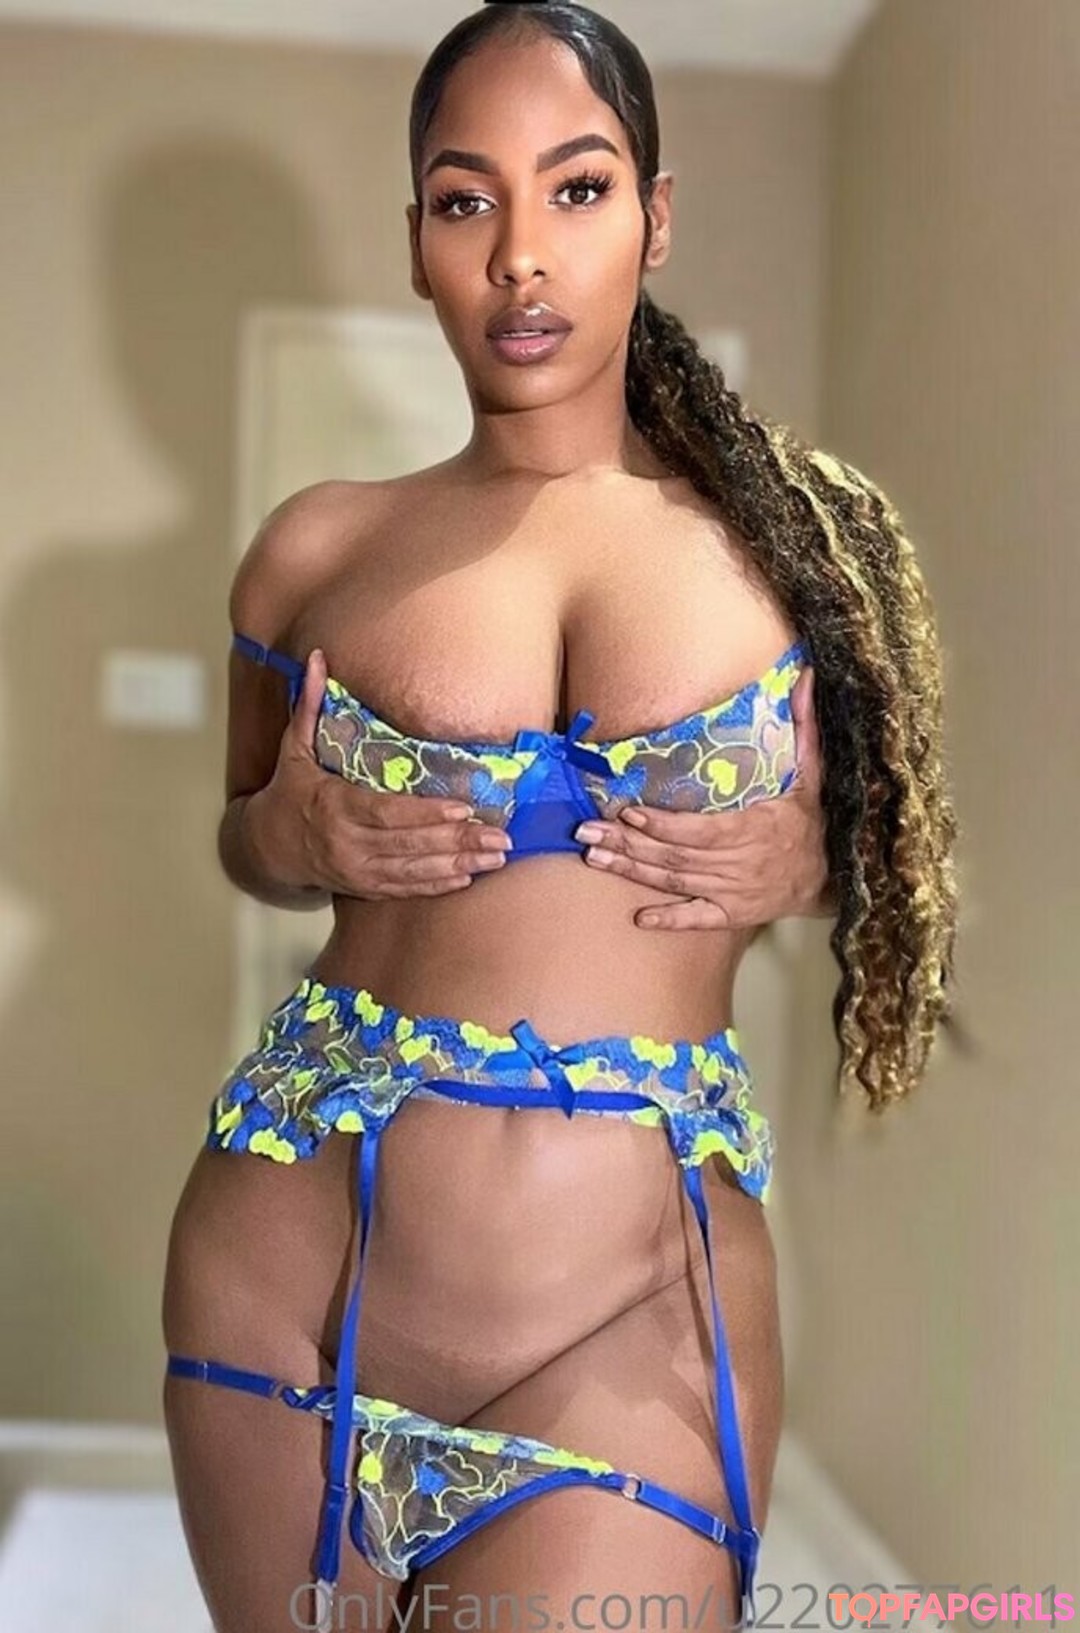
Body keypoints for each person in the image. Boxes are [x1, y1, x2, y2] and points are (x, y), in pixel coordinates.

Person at [161, 4, 958, 1630]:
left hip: (627, 1325)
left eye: (577, 189)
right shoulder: (316, 552)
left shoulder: (797, 557)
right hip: (286, 1280)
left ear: (654, 218)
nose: (522, 255)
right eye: (469, 200)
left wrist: (814, 862)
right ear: (418, 241)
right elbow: (248, 831)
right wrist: (286, 841)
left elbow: (895, 851)